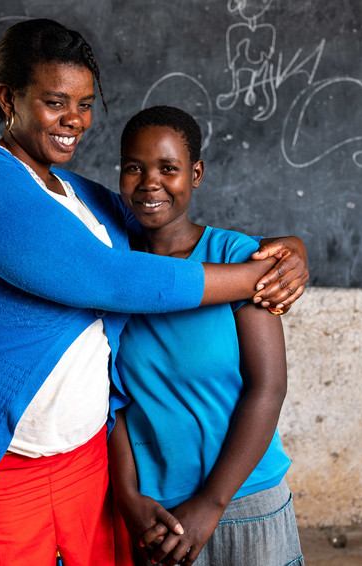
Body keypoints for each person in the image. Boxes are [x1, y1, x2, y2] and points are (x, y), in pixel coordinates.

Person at [0, 19, 309, 566]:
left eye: (86, 103)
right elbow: (103, 277)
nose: (75, 120)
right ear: (7, 98)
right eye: (55, 101)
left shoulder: (82, 196)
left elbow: (164, 231)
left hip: (81, 466)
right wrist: (255, 277)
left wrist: (286, 250)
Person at [108, 106, 304, 566]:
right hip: (155, 515)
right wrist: (128, 497)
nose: (149, 182)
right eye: (134, 167)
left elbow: (268, 388)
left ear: (195, 174)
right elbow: (110, 401)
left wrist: (211, 503)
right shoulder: (110, 267)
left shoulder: (236, 256)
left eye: (169, 168)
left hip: (245, 501)